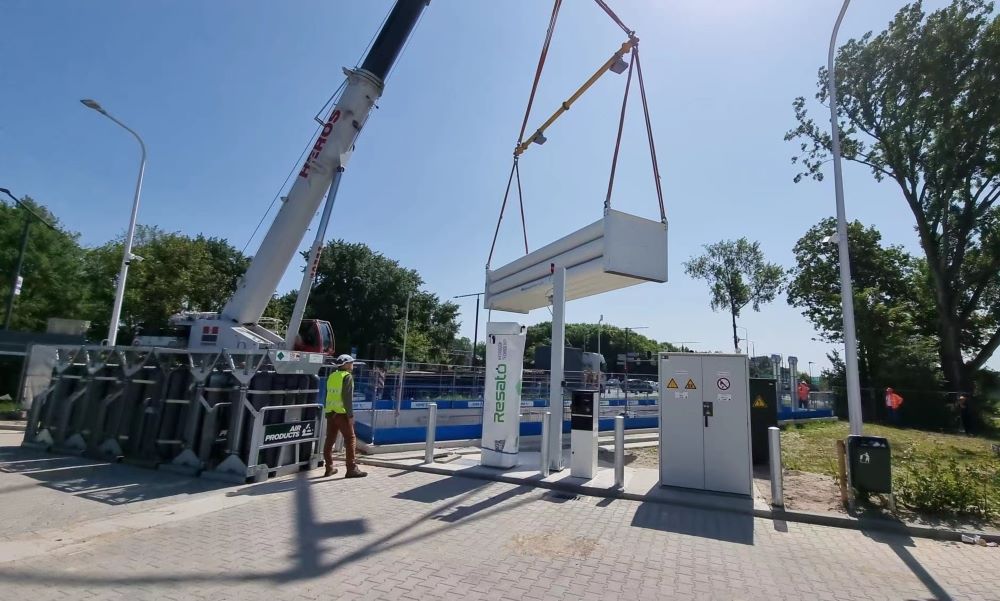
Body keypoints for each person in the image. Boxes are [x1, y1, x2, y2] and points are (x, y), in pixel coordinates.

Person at [323, 354, 367, 478]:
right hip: (341, 414)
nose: (352, 365)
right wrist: (350, 415)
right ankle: (351, 469)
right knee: (350, 439)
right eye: (351, 363)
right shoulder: (347, 377)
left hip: (330, 413)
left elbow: (328, 394)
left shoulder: (331, 376)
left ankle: (329, 468)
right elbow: (347, 398)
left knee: (329, 440)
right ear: (346, 364)